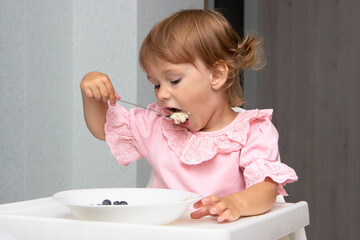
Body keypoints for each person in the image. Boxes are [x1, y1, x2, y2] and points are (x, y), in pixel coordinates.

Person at [80, 9, 298, 222]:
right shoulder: (157, 124)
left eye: (174, 80)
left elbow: (266, 190)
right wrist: (91, 93)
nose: (162, 94)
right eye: (156, 84)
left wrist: (237, 204)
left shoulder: (252, 132)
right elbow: (102, 128)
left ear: (216, 75)